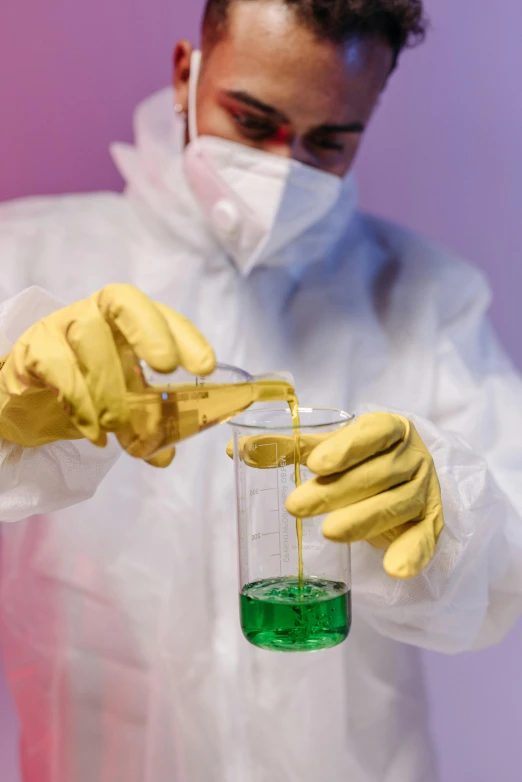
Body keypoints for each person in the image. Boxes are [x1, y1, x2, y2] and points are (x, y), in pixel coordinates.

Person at [0, 0, 521, 780]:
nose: (282, 170)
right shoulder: (26, 258)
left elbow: (509, 558)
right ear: (187, 73)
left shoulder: (425, 296)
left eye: (329, 142)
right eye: (252, 121)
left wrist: (450, 510)